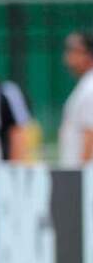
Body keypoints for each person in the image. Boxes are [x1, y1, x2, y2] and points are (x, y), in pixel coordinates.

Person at [58, 30, 93, 167]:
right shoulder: (85, 85)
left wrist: (81, 177)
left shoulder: (90, 88)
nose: (67, 57)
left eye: (72, 51)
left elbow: (90, 133)